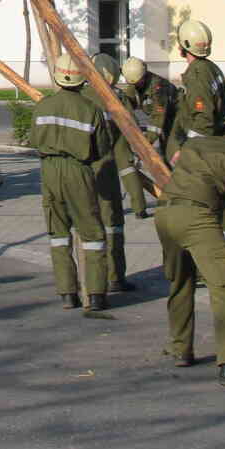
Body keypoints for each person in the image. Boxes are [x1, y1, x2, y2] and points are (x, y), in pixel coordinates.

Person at [154, 110, 225, 384]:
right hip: (197, 218)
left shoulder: (194, 144)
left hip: (164, 214)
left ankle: (180, 348)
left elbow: (175, 160)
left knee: (181, 283)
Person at [33, 56, 112, 314]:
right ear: (82, 79)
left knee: (57, 233)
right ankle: (97, 294)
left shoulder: (43, 106)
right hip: (79, 170)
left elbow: (35, 140)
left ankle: (68, 293)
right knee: (92, 234)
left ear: (57, 76)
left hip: (49, 170)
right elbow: (101, 148)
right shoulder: (90, 109)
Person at [167, 19, 225, 244]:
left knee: (202, 205)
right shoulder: (212, 68)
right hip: (218, 143)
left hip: (205, 150)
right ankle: (224, 254)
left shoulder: (197, 74)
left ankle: (208, 261)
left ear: (183, 45)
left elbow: (203, 119)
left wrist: (186, 150)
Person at [85, 53, 135, 292]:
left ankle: (92, 281)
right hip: (106, 167)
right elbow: (130, 127)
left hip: (83, 169)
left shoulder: (81, 97)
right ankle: (115, 276)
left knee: (88, 224)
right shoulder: (116, 98)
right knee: (112, 222)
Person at [95, 52, 149, 221]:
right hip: (120, 134)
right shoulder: (118, 94)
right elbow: (131, 117)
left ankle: (103, 208)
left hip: (100, 136)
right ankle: (140, 208)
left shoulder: (89, 93)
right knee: (127, 168)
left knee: (100, 171)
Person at [119, 56, 177, 160]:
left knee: (172, 153)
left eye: (137, 82)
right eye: (132, 83)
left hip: (175, 120)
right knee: (165, 153)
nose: (135, 85)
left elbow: (158, 117)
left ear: (144, 75)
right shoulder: (135, 82)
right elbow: (127, 101)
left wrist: (146, 142)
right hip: (163, 122)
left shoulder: (158, 87)